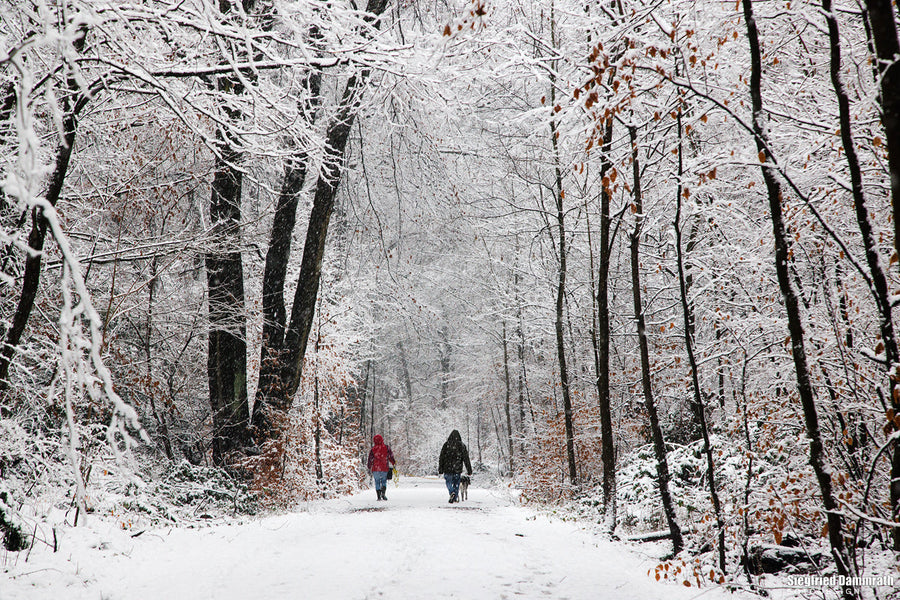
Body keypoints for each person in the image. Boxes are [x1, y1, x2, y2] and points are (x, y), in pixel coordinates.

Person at [438, 430, 472, 503]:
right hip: (457, 468)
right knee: (457, 483)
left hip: (447, 468)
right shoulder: (462, 446)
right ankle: (455, 497)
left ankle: (451, 492)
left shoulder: (446, 445)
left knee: (448, 481)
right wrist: (469, 470)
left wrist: (440, 469)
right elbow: (466, 459)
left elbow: (441, 457)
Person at [367, 435, 396, 501]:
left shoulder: (373, 449)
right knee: (383, 481)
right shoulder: (386, 447)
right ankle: (383, 494)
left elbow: (370, 459)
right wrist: (393, 462)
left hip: (375, 468)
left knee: (377, 482)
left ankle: (378, 496)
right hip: (384, 467)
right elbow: (390, 456)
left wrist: (369, 466)